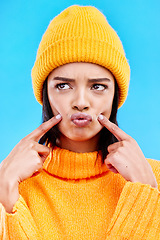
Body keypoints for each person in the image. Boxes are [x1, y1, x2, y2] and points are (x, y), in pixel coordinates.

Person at [0, 5, 160, 240]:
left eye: (98, 86)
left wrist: (146, 193)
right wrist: (8, 199)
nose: (81, 102)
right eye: (63, 86)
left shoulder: (153, 178)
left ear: (116, 94)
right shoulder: (10, 183)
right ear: (45, 93)